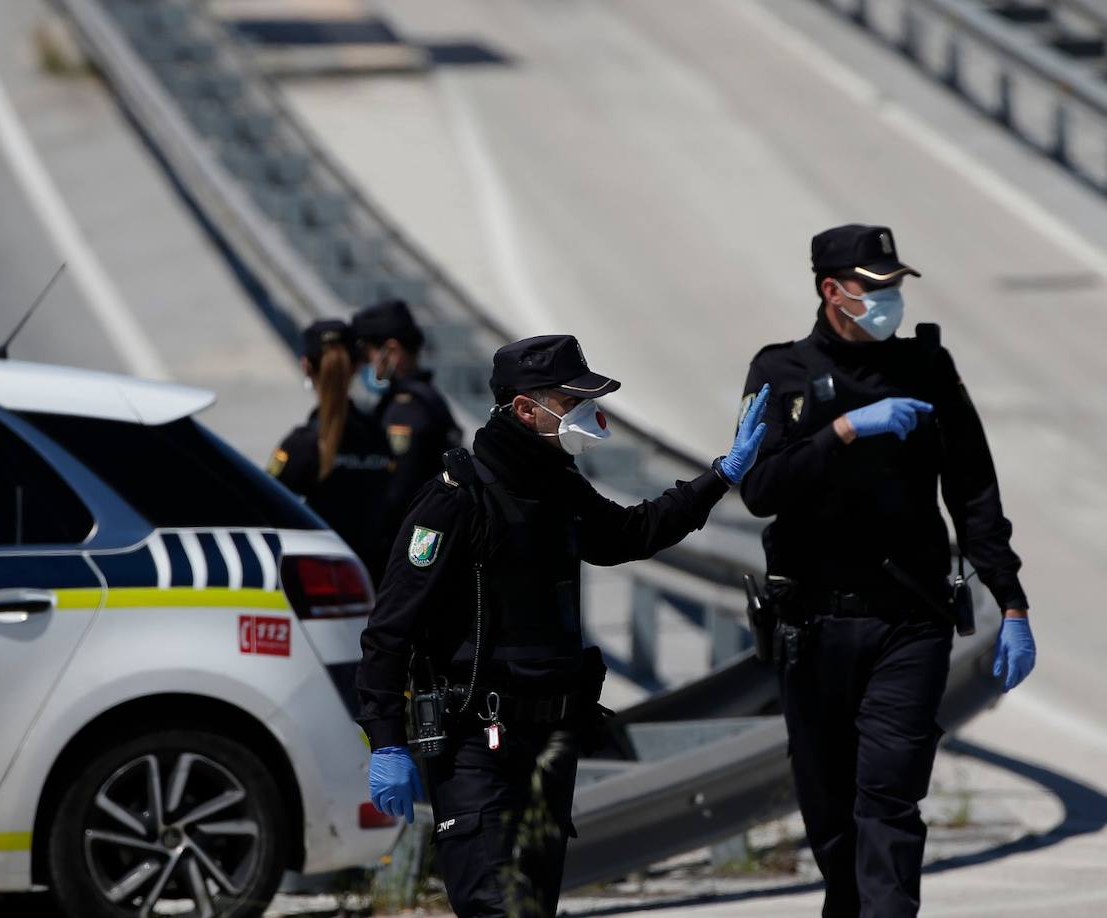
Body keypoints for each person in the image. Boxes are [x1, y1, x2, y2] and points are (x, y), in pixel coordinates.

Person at [357, 334, 769, 917]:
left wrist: (719, 476)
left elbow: (630, 534)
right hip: (477, 745)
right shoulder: (455, 499)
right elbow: (389, 629)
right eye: (570, 399)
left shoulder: (557, 484)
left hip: (549, 746)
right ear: (527, 409)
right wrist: (386, 741)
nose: (587, 413)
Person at [738, 225, 1037, 917]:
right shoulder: (779, 373)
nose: (889, 298)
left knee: (889, 798)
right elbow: (759, 491)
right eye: (874, 287)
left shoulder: (928, 368)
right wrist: (843, 432)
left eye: (895, 284)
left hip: (909, 620)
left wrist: (1012, 601)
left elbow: (974, 491)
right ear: (831, 290)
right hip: (810, 624)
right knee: (831, 812)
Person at [268, 319, 393, 582]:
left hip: (318, 583)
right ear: (357, 366)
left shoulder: (300, 446)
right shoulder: (380, 438)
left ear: (306, 366)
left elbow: (265, 508)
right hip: (376, 582)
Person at [351, 300, 461, 526]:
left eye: (367, 355)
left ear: (391, 350)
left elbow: (396, 491)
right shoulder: (426, 397)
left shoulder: (406, 410)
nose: (364, 364)